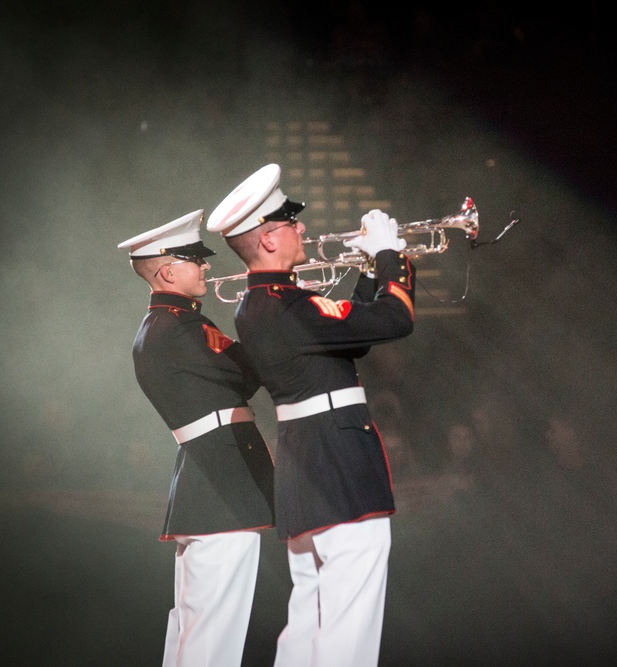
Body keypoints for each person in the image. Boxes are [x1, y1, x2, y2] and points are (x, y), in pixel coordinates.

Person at [207, 164, 415, 666]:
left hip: (305, 470)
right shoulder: (287, 308)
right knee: (349, 623)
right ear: (272, 238)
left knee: (308, 621)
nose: (303, 229)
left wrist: (366, 275)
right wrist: (389, 257)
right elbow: (396, 319)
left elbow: (352, 337)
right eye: (292, 223)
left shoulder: (261, 305)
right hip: (339, 465)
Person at [118, 210, 276, 667]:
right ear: (168, 270)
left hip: (208, 485)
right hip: (222, 488)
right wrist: (273, 301)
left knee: (194, 628)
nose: (206, 267)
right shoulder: (178, 328)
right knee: (212, 635)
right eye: (195, 260)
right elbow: (251, 371)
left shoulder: (167, 326)